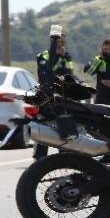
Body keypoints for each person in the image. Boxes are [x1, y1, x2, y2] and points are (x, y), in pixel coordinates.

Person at [33, 25, 74, 159]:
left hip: (63, 96)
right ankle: (40, 157)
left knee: (64, 126)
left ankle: (64, 155)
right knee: (44, 126)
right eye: (57, 41)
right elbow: (48, 71)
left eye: (62, 42)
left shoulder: (67, 57)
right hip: (47, 95)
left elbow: (69, 74)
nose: (60, 44)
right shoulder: (43, 56)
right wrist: (57, 55)